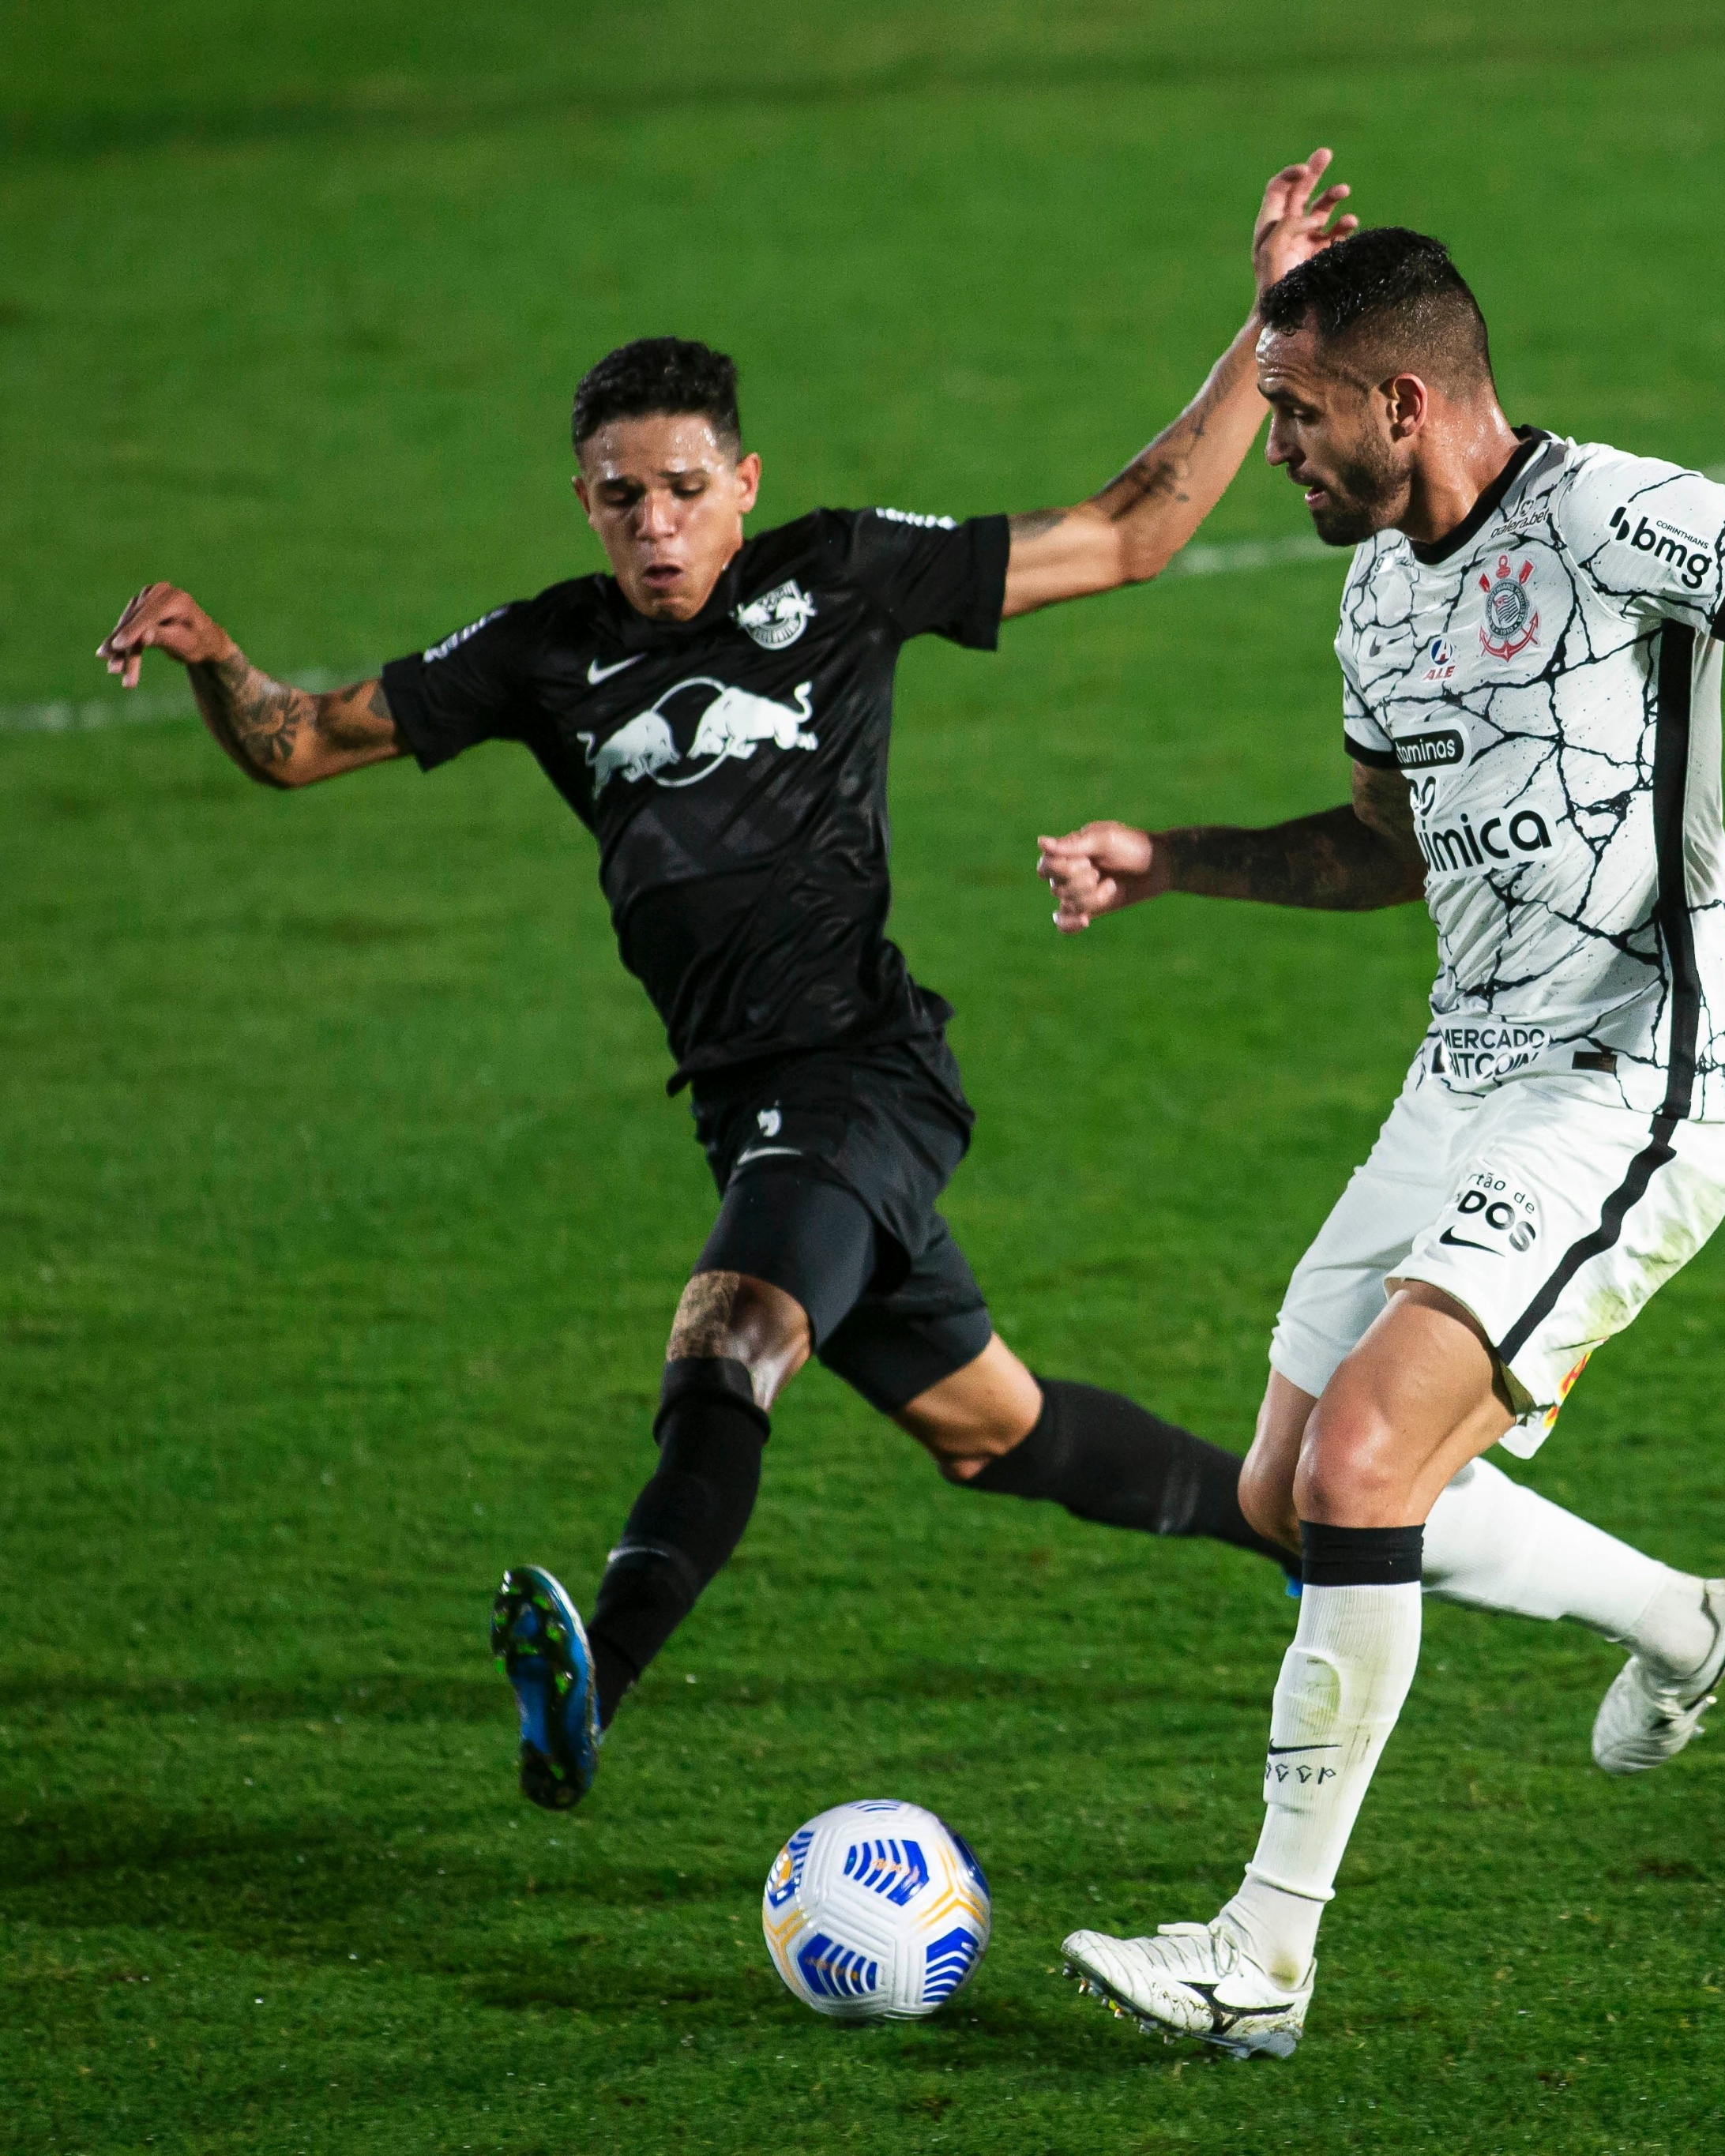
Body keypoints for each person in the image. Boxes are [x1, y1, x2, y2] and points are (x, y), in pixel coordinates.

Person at [94, 153, 1363, 1814]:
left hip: (853, 1075)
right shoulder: (543, 654)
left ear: (743, 481)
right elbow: (302, 742)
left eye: (684, 488)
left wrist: (1264, 312)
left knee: (729, 1336)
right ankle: (1305, 1536)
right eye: (619, 496)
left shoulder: (833, 578)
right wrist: (214, 659)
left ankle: (590, 1682)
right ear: (584, 503)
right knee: (994, 1431)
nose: (655, 524)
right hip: (744, 1110)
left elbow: (1129, 534)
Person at [1039, 226, 1725, 2057]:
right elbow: (1383, 851)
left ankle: (1261, 1953)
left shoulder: (1609, 515)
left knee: (1369, 1463)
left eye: (1294, 411)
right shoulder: (1375, 590)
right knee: (1277, 1490)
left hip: (1632, 1082)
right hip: (1456, 1075)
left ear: (1404, 398)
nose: (1276, 446)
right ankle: (1685, 1623)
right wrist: (1175, 860)